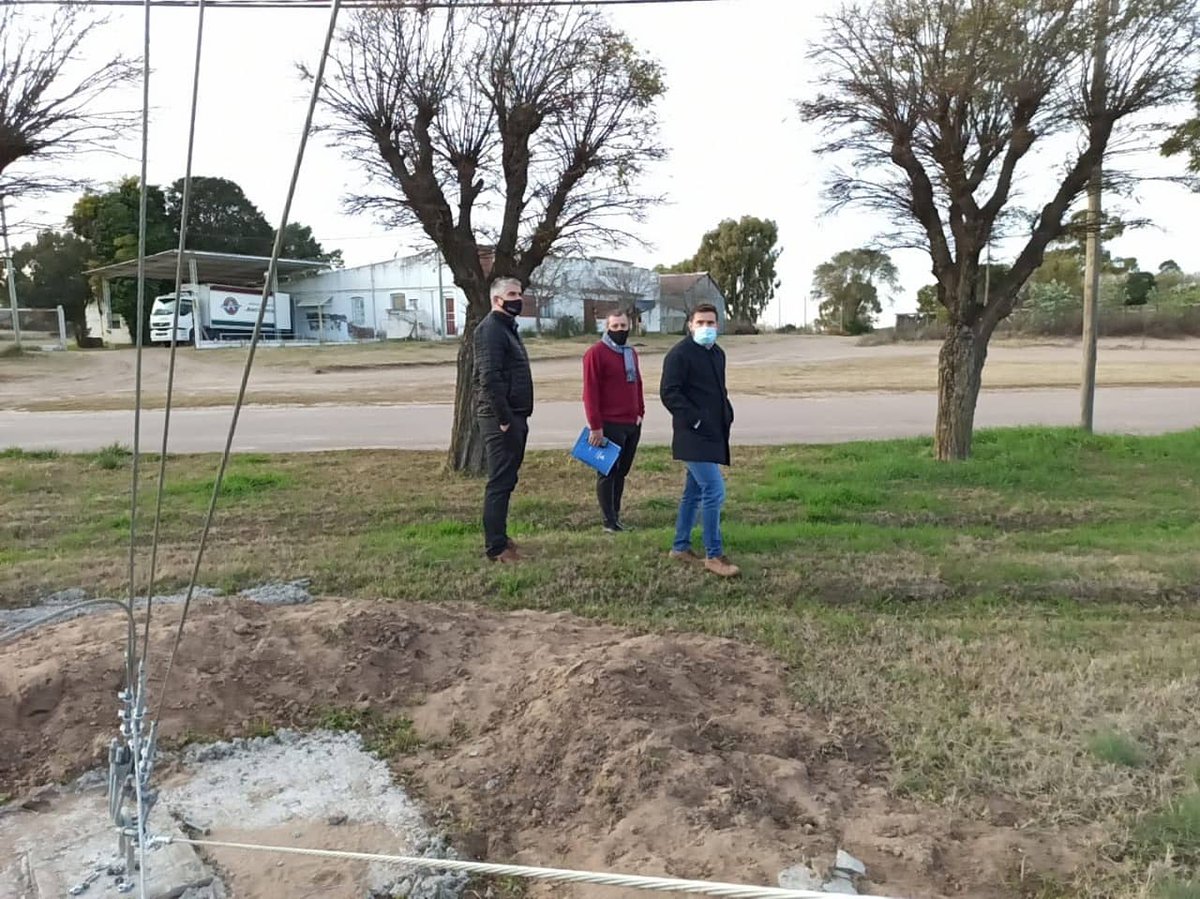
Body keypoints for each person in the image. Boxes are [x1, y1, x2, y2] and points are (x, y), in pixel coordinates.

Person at [659, 303, 739, 577]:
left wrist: (726, 412)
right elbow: (670, 394)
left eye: (711, 323)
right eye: (701, 322)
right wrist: (695, 420)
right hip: (691, 435)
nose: (706, 327)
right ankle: (713, 555)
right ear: (690, 325)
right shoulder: (679, 354)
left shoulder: (717, 354)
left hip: (713, 434)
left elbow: (718, 391)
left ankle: (680, 547)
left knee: (693, 493)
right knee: (714, 491)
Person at [473, 276, 534, 563]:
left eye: (519, 293)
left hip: (516, 414)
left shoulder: (507, 328)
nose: (517, 298)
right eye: (511, 294)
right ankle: (496, 548)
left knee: (508, 479)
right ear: (497, 299)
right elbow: (489, 379)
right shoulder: (490, 331)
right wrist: (505, 420)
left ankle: (501, 536)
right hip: (500, 418)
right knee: (499, 481)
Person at [582, 309, 645, 532]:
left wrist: (640, 412)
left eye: (623, 326)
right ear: (607, 328)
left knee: (622, 472)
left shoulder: (630, 353)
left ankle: (616, 514)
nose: (620, 330)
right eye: (615, 326)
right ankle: (608, 521)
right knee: (607, 472)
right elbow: (590, 392)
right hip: (609, 424)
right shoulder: (595, 354)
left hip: (631, 423)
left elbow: (637, 383)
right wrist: (595, 426)